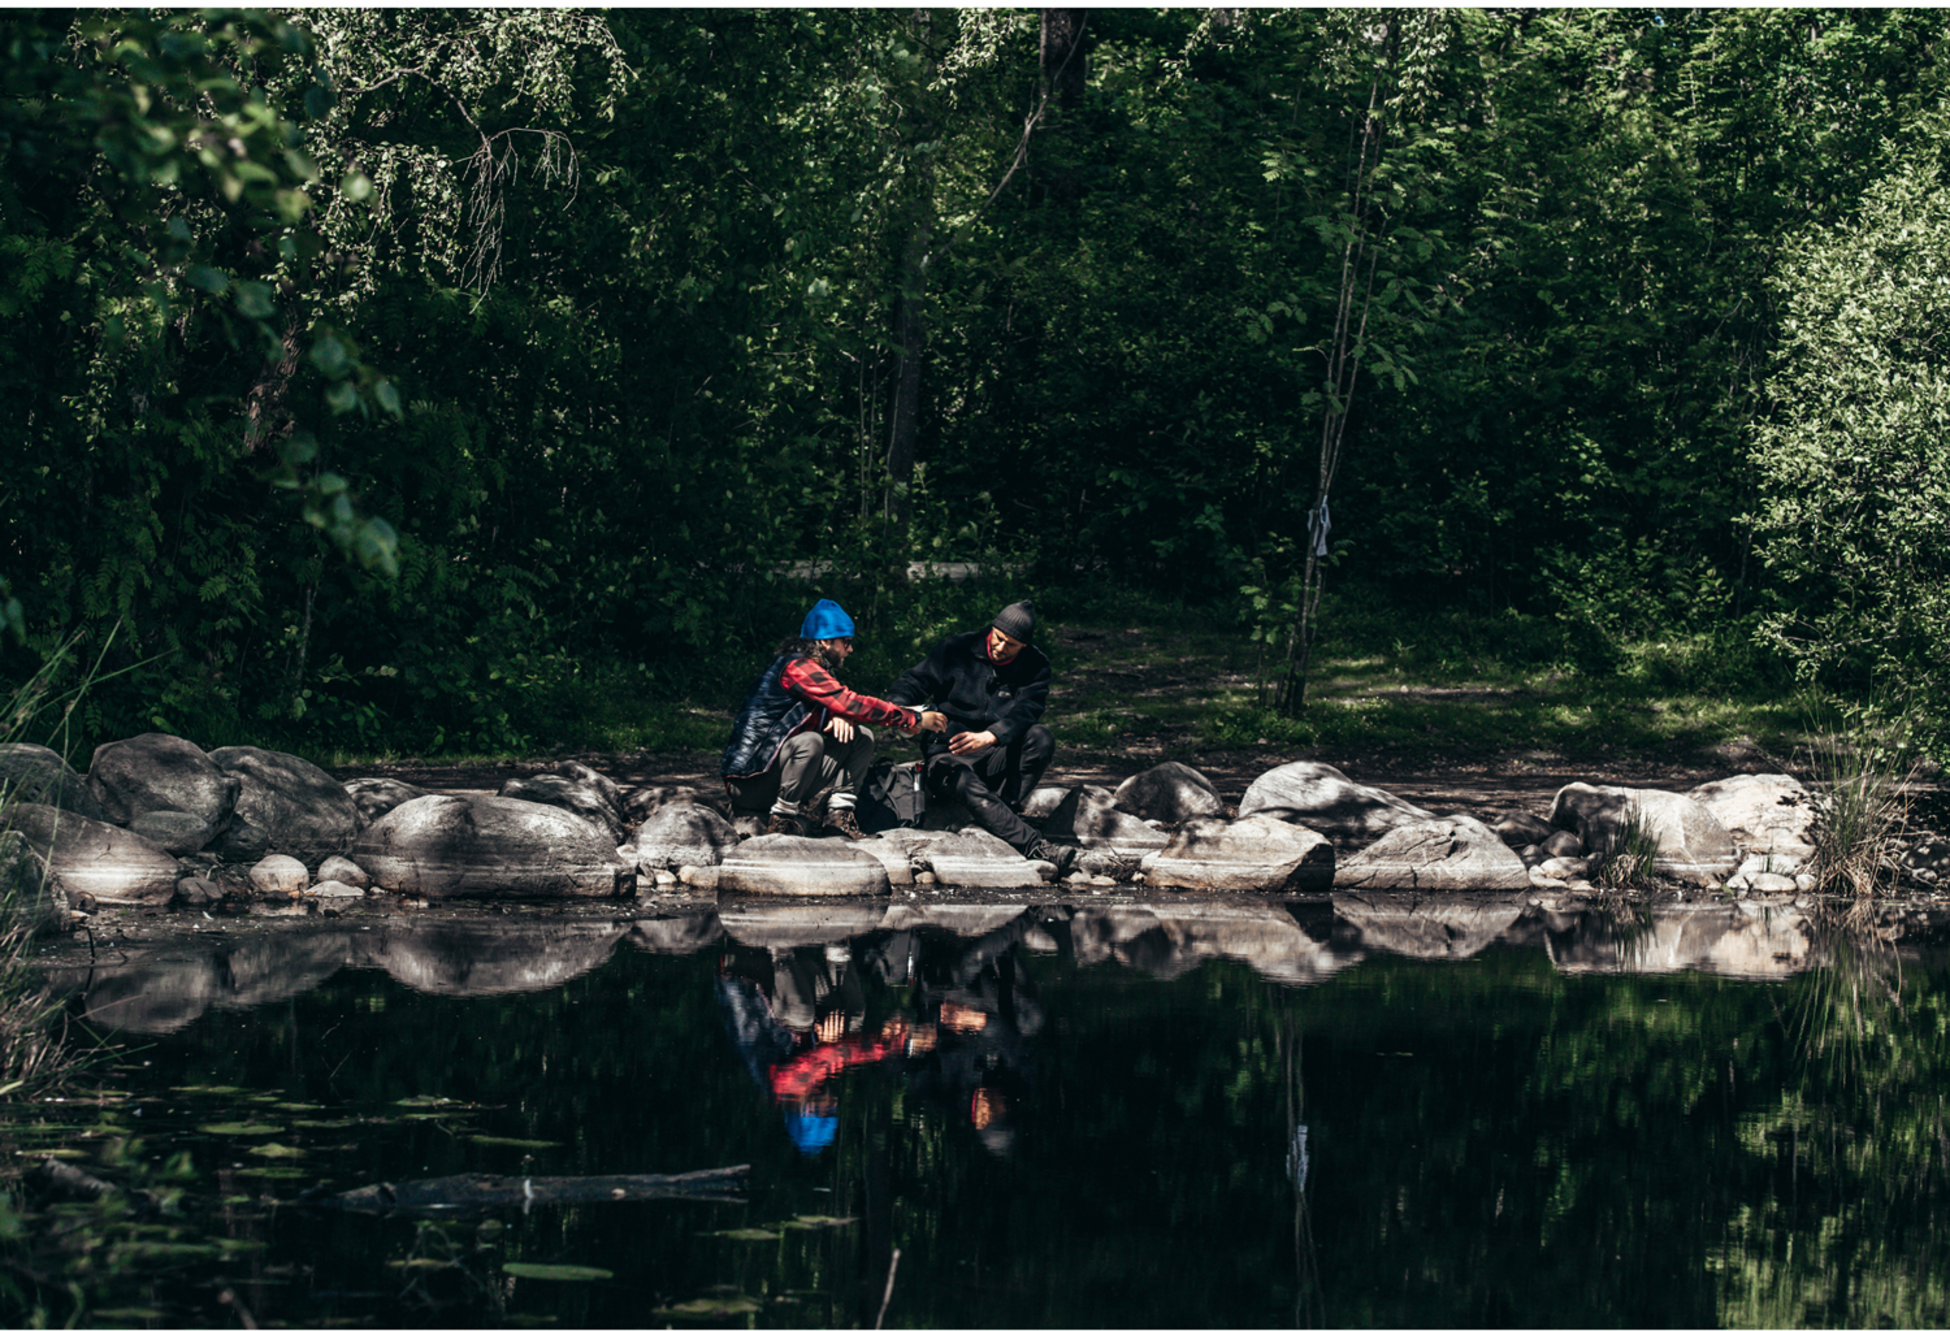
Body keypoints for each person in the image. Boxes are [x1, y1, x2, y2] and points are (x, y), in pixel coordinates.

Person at [722, 599, 946, 838]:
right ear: (824, 641)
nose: (850, 650)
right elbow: (851, 702)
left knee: (861, 737)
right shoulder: (797, 667)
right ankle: (782, 822)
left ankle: (839, 819)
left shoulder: (815, 670)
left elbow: (834, 706)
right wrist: (913, 718)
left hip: (775, 775)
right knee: (811, 742)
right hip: (748, 782)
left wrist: (839, 714)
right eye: (846, 642)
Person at [888, 599, 1074, 871]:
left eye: (1010, 644)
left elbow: (1028, 710)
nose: (1000, 647)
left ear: (1024, 645)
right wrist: (902, 712)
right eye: (998, 638)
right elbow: (913, 681)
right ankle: (1035, 846)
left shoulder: (1036, 665)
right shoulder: (956, 648)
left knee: (1041, 737)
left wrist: (992, 736)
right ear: (992, 629)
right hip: (947, 755)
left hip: (994, 752)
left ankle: (1003, 811)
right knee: (960, 777)